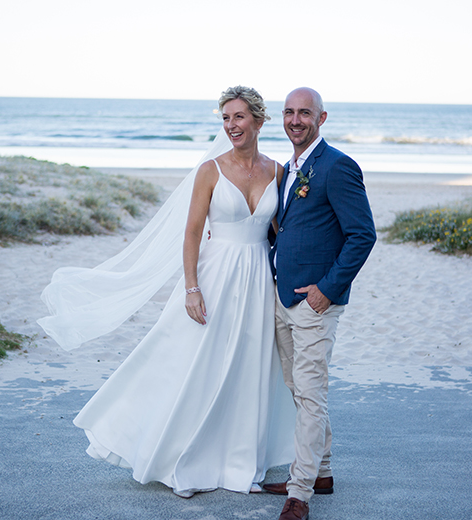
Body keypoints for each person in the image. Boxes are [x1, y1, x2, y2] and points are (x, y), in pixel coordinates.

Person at [38, 86, 295, 498]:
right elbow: (192, 233)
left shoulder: (278, 171)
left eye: (239, 117)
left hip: (257, 280)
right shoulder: (210, 170)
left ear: (259, 121)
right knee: (195, 364)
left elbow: (281, 233)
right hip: (212, 277)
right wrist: (191, 288)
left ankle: (236, 462)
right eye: (226, 118)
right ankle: (181, 461)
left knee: (247, 369)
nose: (231, 126)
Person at [264, 88, 376, 520]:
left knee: (311, 393)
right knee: (298, 389)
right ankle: (322, 472)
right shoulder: (289, 169)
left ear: (321, 118)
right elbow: (287, 227)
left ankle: (300, 492)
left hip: (315, 303)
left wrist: (326, 290)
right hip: (282, 296)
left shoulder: (338, 166)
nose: (295, 120)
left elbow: (362, 235)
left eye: (304, 113)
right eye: (289, 112)